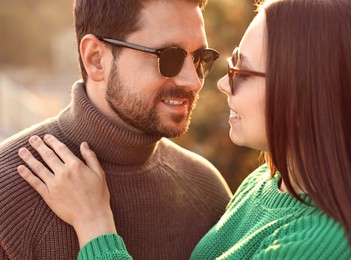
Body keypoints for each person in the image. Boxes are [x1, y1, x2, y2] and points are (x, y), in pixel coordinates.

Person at [17, 0, 351, 259]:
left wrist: (95, 226)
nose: (205, 83)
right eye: (169, 58)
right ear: (95, 58)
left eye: (240, 72)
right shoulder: (266, 183)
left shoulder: (330, 241)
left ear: (307, 91)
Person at [0, 0, 233, 259]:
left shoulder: (207, 191)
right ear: (96, 59)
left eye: (200, 58)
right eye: (169, 57)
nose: (193, 81)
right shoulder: (6, 193)